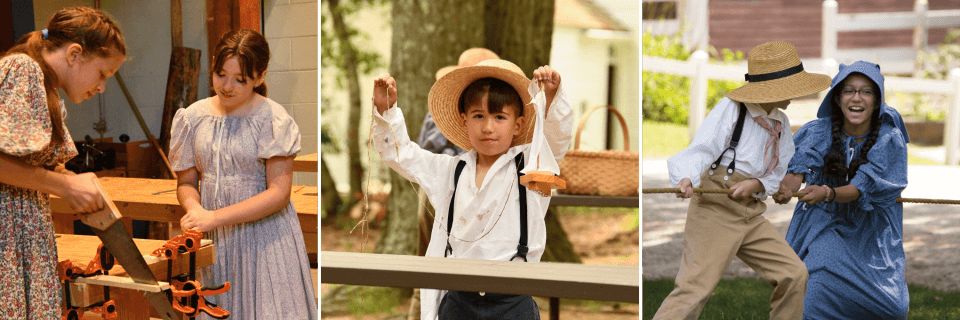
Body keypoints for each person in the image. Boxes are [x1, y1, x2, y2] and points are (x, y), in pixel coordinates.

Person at [371, 58, 573, 319]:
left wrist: (552, 96)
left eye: (500, 117)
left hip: (513, 302)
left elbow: (556, 140)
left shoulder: (532, 170)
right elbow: (402, 154)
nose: (488, 127)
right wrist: (386, 111)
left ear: (518, 124)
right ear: (464, 120)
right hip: (459, 301)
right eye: (479, 116)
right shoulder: (450, 171)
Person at [654, 41, 831, 319]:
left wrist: (759, 185)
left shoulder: (781, 124)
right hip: (715, 212)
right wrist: (686, 177)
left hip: (750, 215)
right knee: (694, 289)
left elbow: (777, 170)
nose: (797, 94)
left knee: (794, 273)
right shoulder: (732, 109)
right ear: (774, 88)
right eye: (792, 87)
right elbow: (703, 149)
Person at [169, 28, 318, 319]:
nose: (227, 86)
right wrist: (194, 208)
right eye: (220, 74)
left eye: (240, 79)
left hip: (265, 241)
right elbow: (186, 182)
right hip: (215, 241)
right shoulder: (192, 118)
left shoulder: (272, 119)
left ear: (260, 77)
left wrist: (214, 217)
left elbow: (279, 194)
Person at [0, 7, 125, 318]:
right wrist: (66, 186)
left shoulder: (46, 87)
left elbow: (25, 159)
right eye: (102, 74)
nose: (101, 87)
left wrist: (69, 179)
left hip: (23, 233)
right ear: (74, 54)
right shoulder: (23, 69)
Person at [774, 60, 910, 319]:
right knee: (817, 284)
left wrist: (828, 193)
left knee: (893, 309)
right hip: (825, 222)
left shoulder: (889, 138)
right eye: (849, 90)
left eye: (866, 91)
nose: (856, 98)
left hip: (872, 228)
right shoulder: (818, 131)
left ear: (877, 101)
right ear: (837, 99)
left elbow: (860, 187)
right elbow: (797, 172)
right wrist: (786, 188)